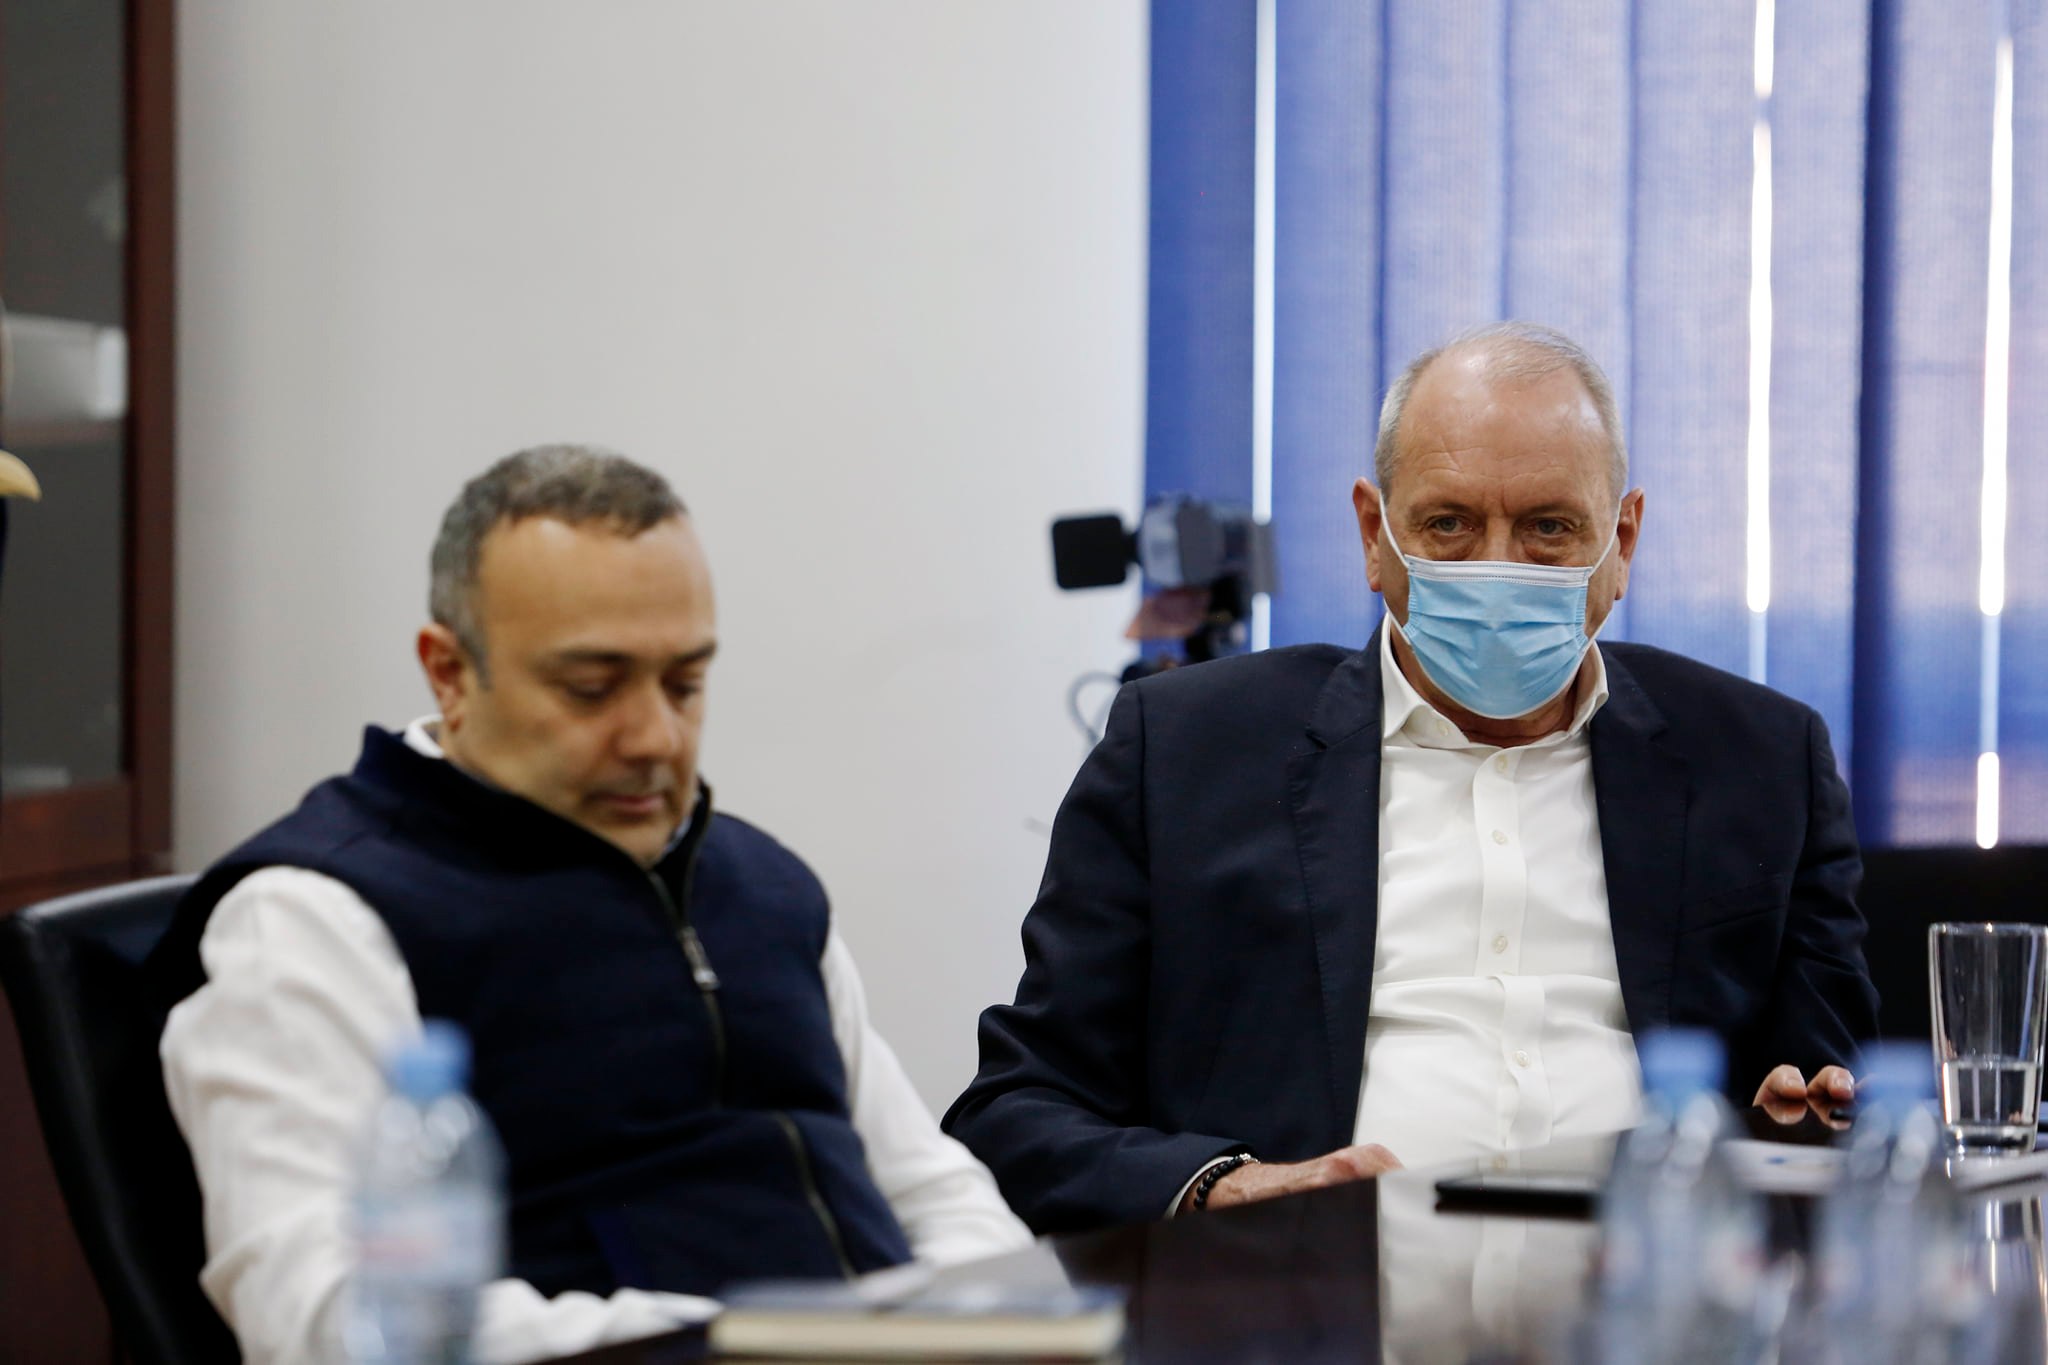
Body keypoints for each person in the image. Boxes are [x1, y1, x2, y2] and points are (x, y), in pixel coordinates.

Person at [943, 322, 1877, 1234]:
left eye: (1550, 527)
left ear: (1622, 541)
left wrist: (1805, 1116)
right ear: (1374, 534)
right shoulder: (1185, 752)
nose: (1499, 569)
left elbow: (1832, 1092)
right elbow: (1018, 1111)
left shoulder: (1761, 760)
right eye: (1449, 524)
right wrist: (1224, 1188)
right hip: (1306, 1298)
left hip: (1649, 1291)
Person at [150, 446, 1029, 1365]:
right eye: (591, 689)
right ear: (449, 673)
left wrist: (983, 1326)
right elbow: (332, 1323)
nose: (655, 737)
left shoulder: (756, 883)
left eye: (685, 683)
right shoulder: (318, 920)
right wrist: (766, 1345)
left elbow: (932, 1193)